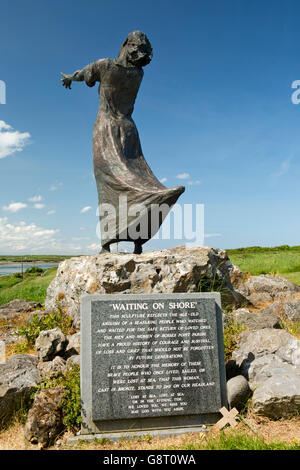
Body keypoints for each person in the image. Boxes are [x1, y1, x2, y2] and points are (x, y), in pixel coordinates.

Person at [61, 31, 184, 254]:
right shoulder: (139, 74)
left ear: (126, 45)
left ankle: (108, 244)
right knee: (137, 177)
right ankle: (139, 236)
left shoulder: (106, 65)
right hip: (129, 128)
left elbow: (84, 76)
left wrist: (70, 77)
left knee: (109, 181)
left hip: (106, 127)